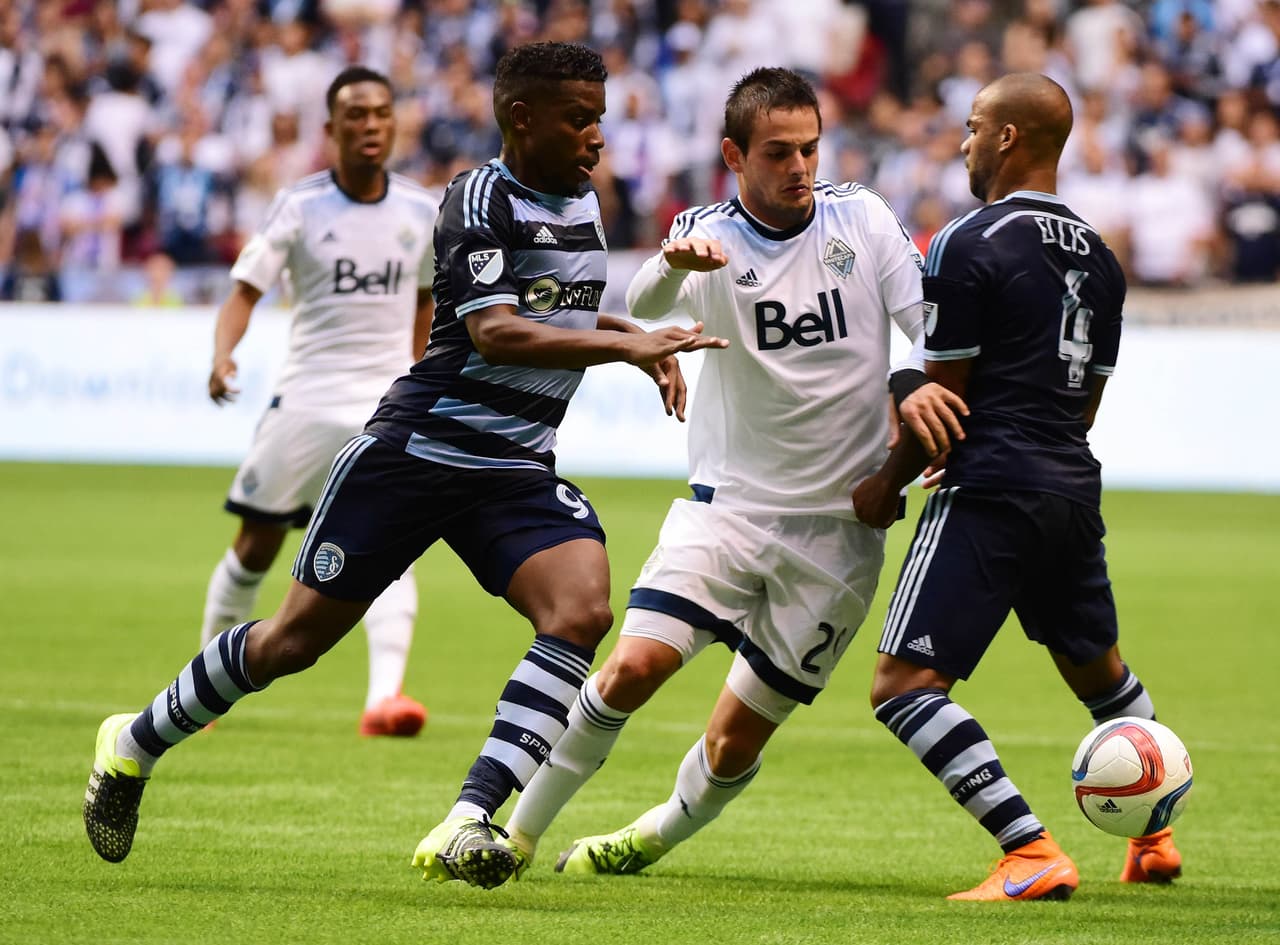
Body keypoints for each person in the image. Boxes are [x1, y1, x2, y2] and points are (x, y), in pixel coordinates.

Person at [81, 42, 727, 888]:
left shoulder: (583, 199)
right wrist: (630, 345)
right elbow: (495, 328)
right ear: (521, 117)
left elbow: (565, 310)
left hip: (513, 467)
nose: (597, 137)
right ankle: (132, 744)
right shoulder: (475, 197)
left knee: (580, 609)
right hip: (417, 452)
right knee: (290, 643)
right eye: (580, 118)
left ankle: (471, 817)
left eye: (599, 119)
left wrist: (630, 342)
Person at [498, 66, 947, 880]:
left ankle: (648, 836)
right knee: (632, 667)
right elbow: (644, 301)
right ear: (735, 155)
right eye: (779, 152)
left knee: (734, 739)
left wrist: (910, 389)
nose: (801, 167)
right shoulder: (708, 236)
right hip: (728, 511)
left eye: (811, 148)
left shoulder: (865, 220)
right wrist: (675, 262)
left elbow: (931, 331)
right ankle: (516, 836)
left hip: (841, 535)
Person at [851, 72, 1182, 902]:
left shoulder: (970, 240)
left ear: (1005, 137)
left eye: (971, 128)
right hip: (1070, 484)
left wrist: (886, 486)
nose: (962, 144)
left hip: (991, 483)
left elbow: (944, 399)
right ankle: (1155, 834)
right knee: (1098, 669)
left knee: (903, 686)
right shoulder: (1104, 262)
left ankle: (1028, 849)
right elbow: (1087, 402)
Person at [199, 65, 436, 738]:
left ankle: (384, 699)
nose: (370, 126)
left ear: (395, 124)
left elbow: (424, 300)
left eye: (382, 114)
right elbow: (245, 290)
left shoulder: (421, 211)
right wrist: (224, 354)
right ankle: (206, 674)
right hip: (305, 397)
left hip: (386, 403)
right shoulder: (300, 205)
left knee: (393, 547)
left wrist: (422, 376)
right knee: (256, 544)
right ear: (331, 129)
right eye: (356, 115)